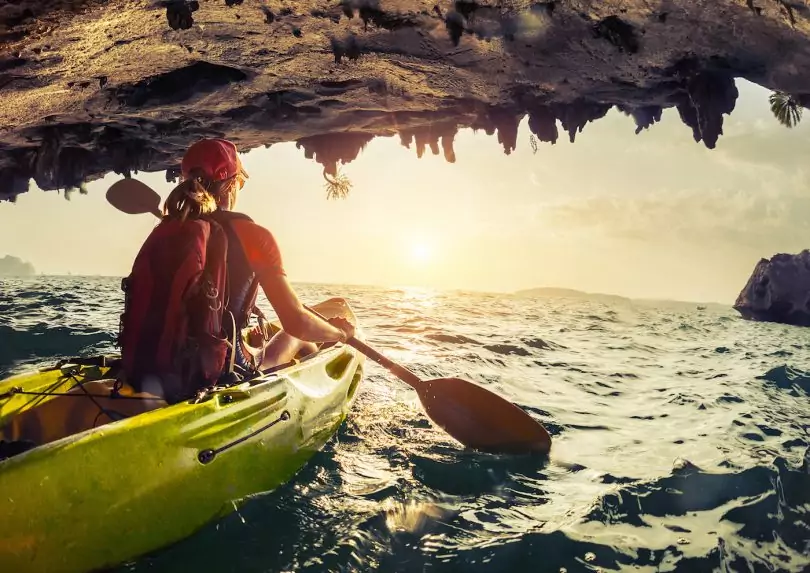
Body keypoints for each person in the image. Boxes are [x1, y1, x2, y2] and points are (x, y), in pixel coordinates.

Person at [119, 138, 354, 402]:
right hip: (222, 373)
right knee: (295, 336)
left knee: (272, 337)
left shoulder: (171, 229)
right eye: (240, 183)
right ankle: (321, 401)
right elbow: (296, 322)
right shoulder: (254, 236)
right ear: (231, 184)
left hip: (152, 367)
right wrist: (340, 333)